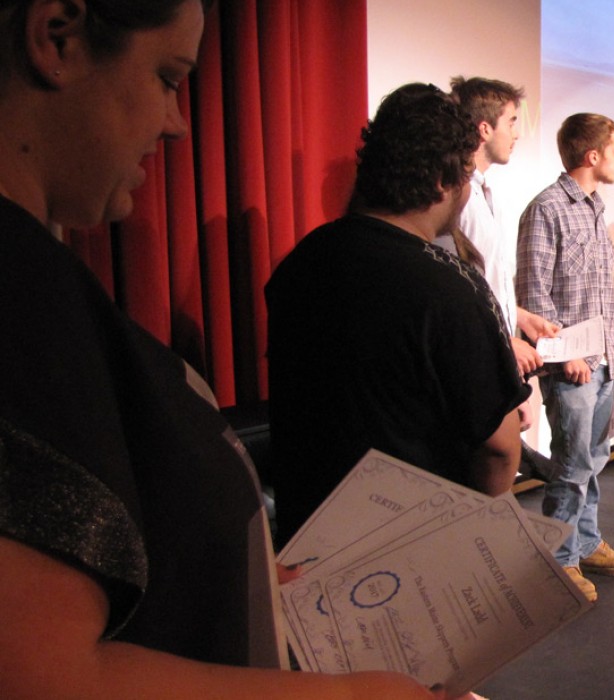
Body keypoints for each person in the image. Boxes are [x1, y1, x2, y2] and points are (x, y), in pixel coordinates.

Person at [0, 1, 438, 697]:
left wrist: (250, 581)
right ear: (57, 39)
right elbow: (43, 674)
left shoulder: (38, 279)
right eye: (167, 78)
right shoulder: (19, 291)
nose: (176, 123)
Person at [266, 83, 530, 546]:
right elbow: (500, 451)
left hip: (307, 540)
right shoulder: (450, 287)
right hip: (409, 554)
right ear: (443, 181)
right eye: (466, 174)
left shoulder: (300, 262)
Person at [515, 113, 614, 602]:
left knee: (594, 457)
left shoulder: (592, 207)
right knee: (570, 464)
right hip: (572, 366)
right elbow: (533, 292)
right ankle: (559, 559)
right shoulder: (546, 209)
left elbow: (598, 294)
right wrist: (563, 355)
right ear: (593, 156)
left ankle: (585, 543)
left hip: (602, 361)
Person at [443, 76, 558, 383]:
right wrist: (505, 343)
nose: (517, 133)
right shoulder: (456, 196)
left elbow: (486, 280)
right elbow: (458, 292)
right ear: (484, 128)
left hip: (496, 360)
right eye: (511, 122)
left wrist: (520, 316)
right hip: (478, 361)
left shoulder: (482, 191)